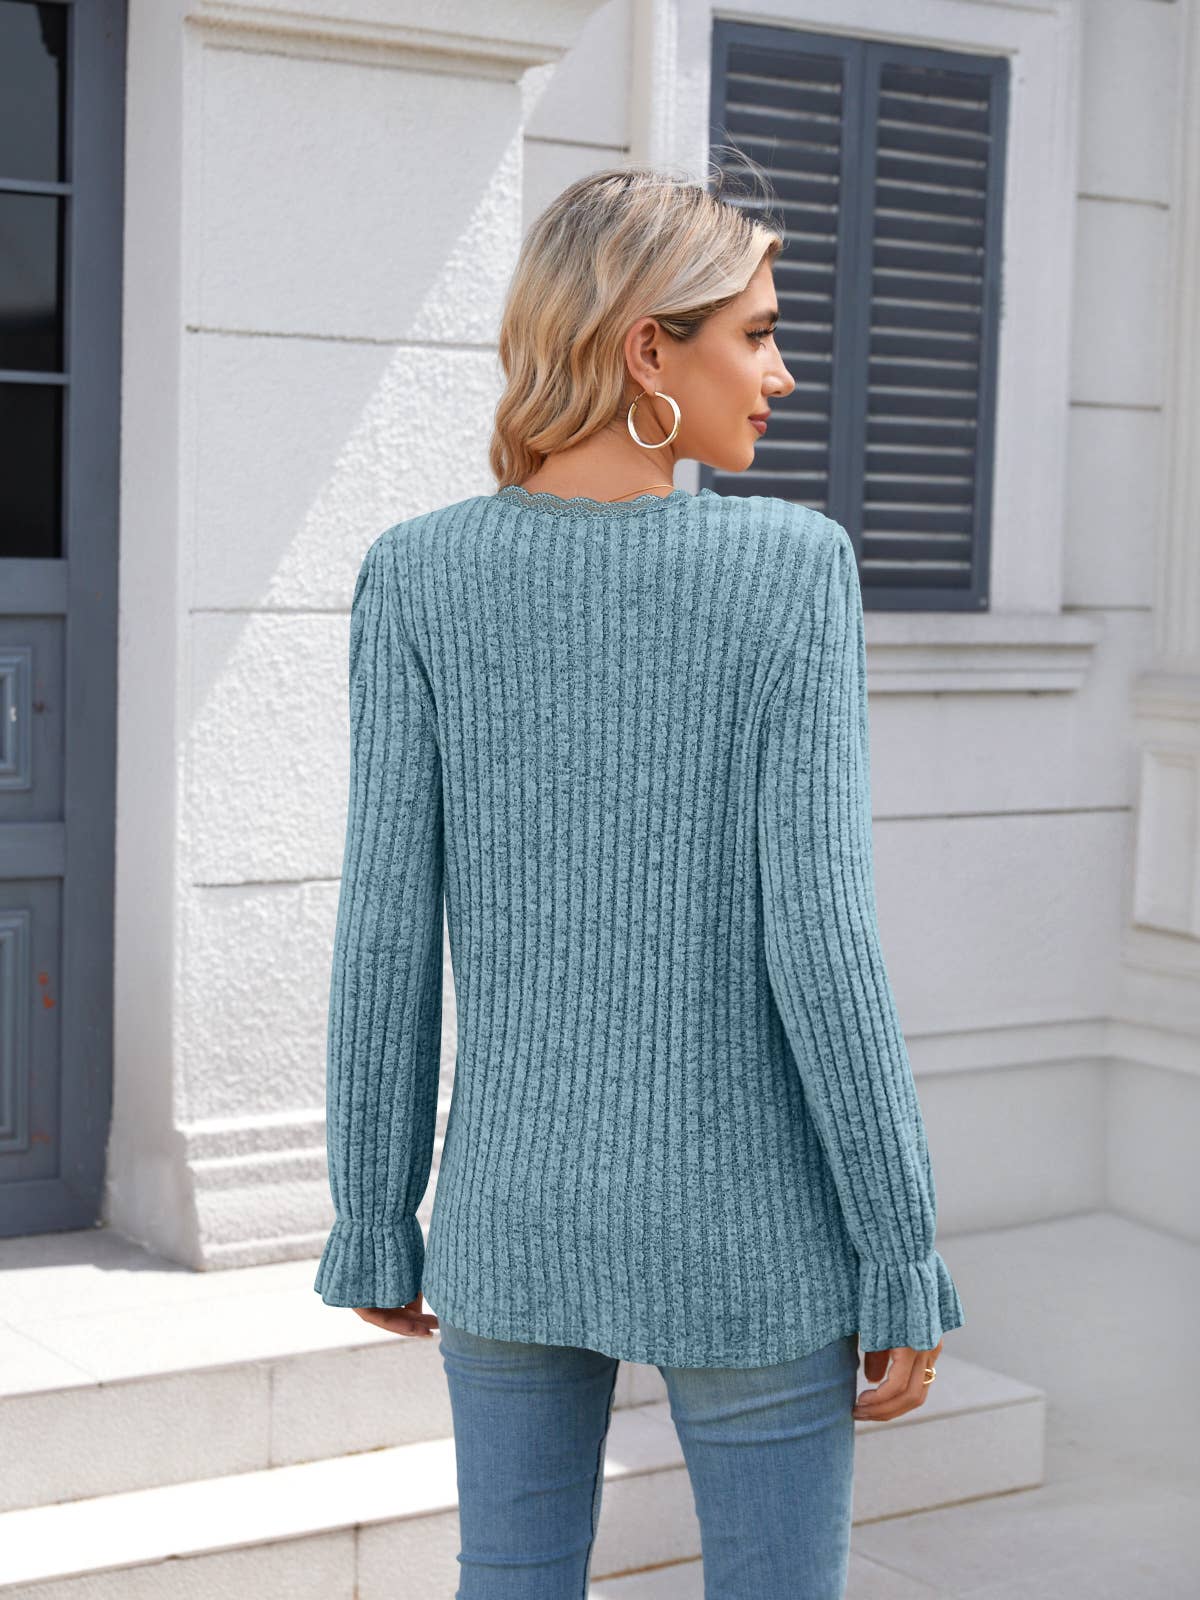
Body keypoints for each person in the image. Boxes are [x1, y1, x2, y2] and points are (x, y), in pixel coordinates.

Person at [314, 162, 965, 1599]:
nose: (783, 375)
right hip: (753, 1228)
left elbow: (382, 931)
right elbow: (823, 941)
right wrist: (898, 1248)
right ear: (646, 350)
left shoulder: (418, 574)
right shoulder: (791, 567)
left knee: (513, 1579)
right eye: (758, 333)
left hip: (511, 1209)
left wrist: (375, 1214)